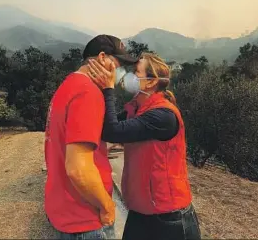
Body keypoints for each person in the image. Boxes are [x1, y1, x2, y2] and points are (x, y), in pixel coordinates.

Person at [87, 52, 201, 240]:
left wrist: (108, 88)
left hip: (168, 217)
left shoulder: (162, 116)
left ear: (151, 82)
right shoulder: (136, 109)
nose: (128, 75)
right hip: (141, 210)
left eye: (135, 71)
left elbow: (112, 131)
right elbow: (104, 124)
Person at [44, 34, 138, 239]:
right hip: (85, 218)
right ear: (102, 57)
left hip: (64, 210)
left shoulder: (68, 85)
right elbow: (78, 169)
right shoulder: (88, 94)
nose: (120, 71)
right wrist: (107, 206)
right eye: (118, 63)